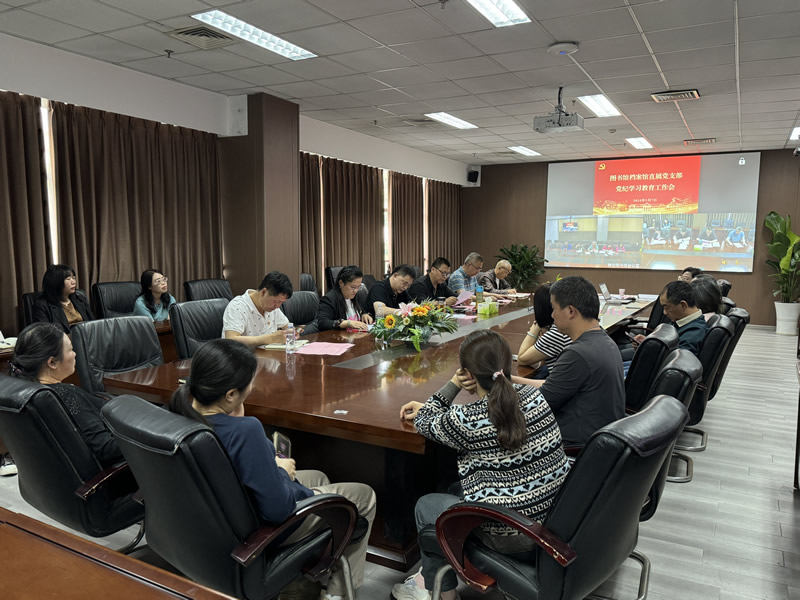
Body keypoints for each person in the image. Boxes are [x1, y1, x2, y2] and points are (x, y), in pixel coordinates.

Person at [168, 339, 376, 600]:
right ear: (231, 394)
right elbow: (277, 510)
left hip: (211, 525)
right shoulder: (245, 431)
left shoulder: (179, 413)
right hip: (259, 530)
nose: (253, 386)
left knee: (319, 476)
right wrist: (280, 472)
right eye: (250, 382)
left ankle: (296, 582)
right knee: (364, 496)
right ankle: (337, 593)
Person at [395, 330, 571, 600]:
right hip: (556, 522)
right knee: (454, 488)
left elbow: (424, 418)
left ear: (469, 373)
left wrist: (453, 383)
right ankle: (433, 575)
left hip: (514, 536)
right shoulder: (534, 398)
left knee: (427, 506)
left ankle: (438, 591)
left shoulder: (468, 420)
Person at [509, 276, 625, 447]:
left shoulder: (578, 354)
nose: (551, 315)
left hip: (573, 445)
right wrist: (509, 379)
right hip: (599, 438)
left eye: (554, 308)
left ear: (571, 311)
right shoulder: (603, 340)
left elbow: (539, 404)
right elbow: (553, 386)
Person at [9, 322, 123, 467]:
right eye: (71, 349)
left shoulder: (24, 392)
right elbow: (105, 448)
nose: (75, 354)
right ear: (52, 362)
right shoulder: (66, 396)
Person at [222, 271, 296, 348]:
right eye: (276, 301)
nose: (277, 306)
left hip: (267, 356)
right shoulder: (237, 306)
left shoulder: (272, 307)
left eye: (281, 303)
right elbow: (231, 340)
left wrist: (293, 333)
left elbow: (288, 327)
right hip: (241, 357)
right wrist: (271, 338)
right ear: (263, 292)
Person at [517, 283, 572, 377]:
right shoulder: (568, 324)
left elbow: (522, 359)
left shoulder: (557, 333)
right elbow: (544, 361)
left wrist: (535, 328)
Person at [32, 264, 95, 333]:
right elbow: (45, 334)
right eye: (68, 279)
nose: (73, 282)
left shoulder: (79, 299)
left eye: (74, 278)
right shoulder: (42, 305)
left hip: (87, 339)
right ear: (56, 282)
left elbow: (93, 323)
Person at [657, 280, 710, 355]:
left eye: (667, 307)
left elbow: (677, 362)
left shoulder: (694, 333)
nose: (664, 312)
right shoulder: (682, 322)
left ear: (683, 305)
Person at [316, 265, 374, 332]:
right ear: (341, 283)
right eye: (353, 287)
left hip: (356, 336)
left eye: (358, 287)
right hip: (339, 339)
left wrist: (365, 315)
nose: (356, 290)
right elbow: (322, 323)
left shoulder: (356, 296)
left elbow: (363, 310)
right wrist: (346, 323)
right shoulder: (329, 299)